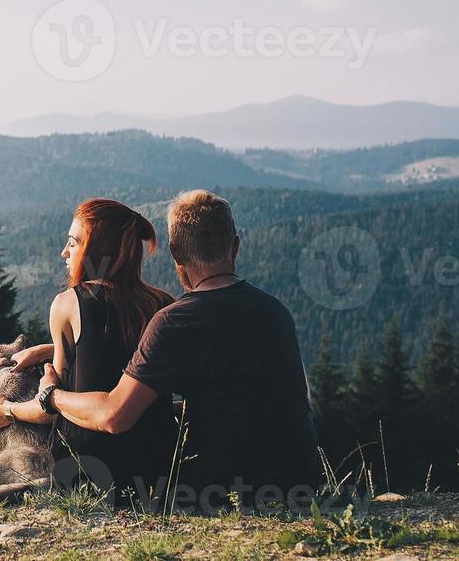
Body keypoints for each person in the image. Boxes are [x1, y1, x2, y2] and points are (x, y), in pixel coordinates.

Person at [36, 190, 322, 513]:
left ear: (175, 254)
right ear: (236, 246)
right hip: (302, 484)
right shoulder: (275, 312)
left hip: (222, 494)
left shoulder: (175, 322)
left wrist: (51, 395)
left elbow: (114, 415)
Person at [0, 197, 178, 506]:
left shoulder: (68, 304)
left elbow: (50, 406)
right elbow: (128, 355)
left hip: (84, 474)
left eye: (73, 243)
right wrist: (47, 350)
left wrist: (6, 409)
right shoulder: (162, 305)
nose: (65, 252)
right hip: (156, 474)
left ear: (95, 250)